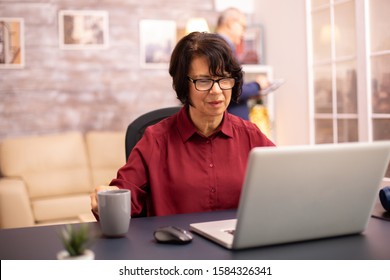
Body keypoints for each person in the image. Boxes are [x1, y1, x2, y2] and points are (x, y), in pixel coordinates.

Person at [90, 32, 275, 218]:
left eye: (224, 79)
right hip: (176, 244)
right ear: (183, 85)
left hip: (235, 244)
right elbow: (125, 195)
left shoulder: (250, 135)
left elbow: (285, 182)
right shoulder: (156, 140)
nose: (217, 90)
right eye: (204, 81)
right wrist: (105, 199)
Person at [215, 7, 270, 120]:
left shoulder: (222, 46)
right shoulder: (221, 47)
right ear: (230, 23)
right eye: (243, 27)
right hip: (231, 124)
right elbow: (231, 89)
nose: (244, 34)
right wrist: (257, 85)